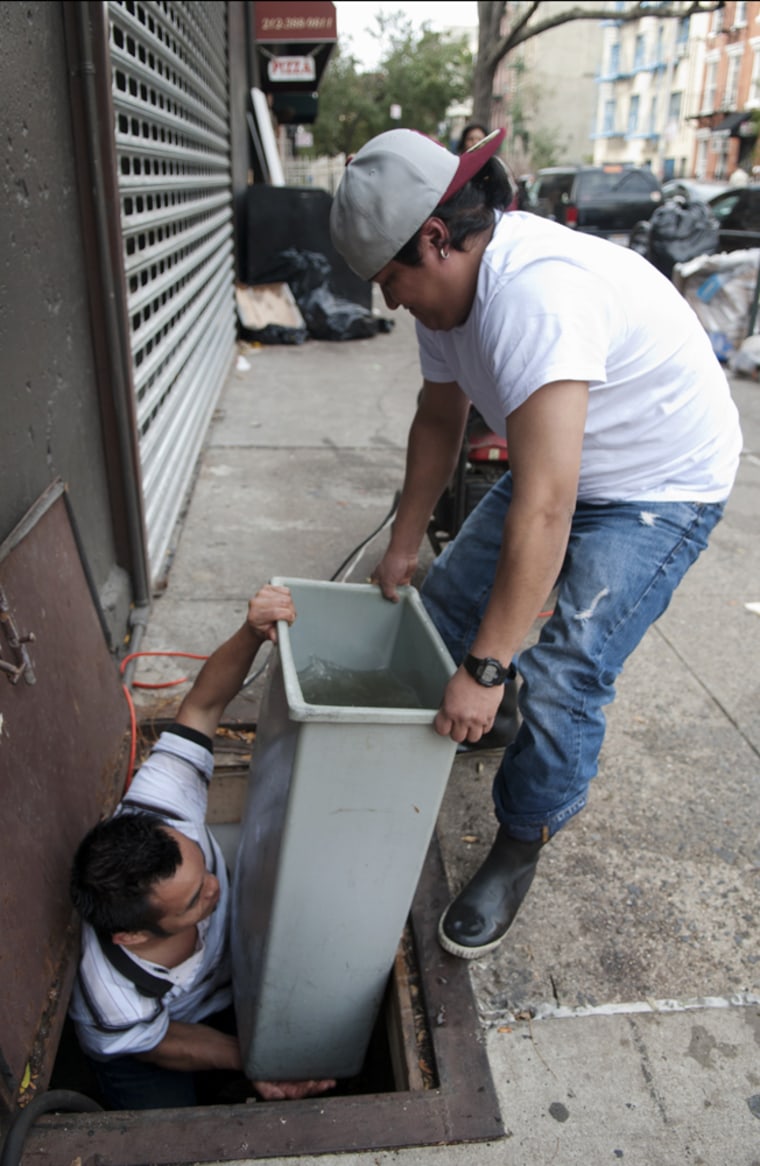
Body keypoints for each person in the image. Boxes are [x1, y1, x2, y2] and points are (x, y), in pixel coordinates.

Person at [328, 128, 743, 962]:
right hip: (570, 464)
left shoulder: (536, 294)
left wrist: (487, 670)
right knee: (443, 607)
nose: (390, 304)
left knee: (561, 672)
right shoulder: (450, 292)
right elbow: (439, 418)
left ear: (436, 239)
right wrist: (405, 545)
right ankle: (497, 708)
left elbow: (547, 507)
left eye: (390, 283)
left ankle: (523, 838)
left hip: (658, 488)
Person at [68, 584, 336, 1109]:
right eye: (194, 900)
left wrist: (252, 632)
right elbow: (161, 1041)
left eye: (201, 865)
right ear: (130, 937)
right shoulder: (109, 997)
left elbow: (203, 704)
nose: (216, 886)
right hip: (151, 1044)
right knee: (167, 1128)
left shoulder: (163, 805)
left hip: (227, 987)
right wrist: (253, 1060)